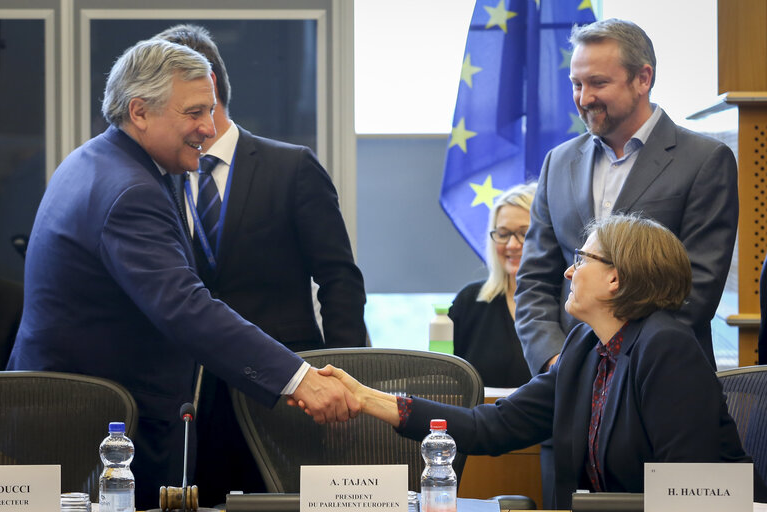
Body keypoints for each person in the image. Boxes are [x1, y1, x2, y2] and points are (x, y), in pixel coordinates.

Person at [6, 39, 359, 510]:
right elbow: (185, 307)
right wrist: (299, 379)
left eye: (211, 111)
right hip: (89, 429)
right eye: (194, 113)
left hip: (78, 416)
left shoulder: (94, 160)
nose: (208, 128)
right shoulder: (129, 190)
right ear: (140, 112)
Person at [315, 214, 767, 509]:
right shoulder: (585, 347)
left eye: (582, 258)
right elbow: (490, 426)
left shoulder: (666, 347)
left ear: (617, 277)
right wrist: (366, 397)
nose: (569, 271)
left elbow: (687, 494)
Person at [514, 20, 738, 507]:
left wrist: (616, 367)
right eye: (576, 83)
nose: (583, 97)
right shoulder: (558, 161)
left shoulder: (705, 160)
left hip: (655, 400)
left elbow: (694, 288)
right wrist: (564, 363)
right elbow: (533, 281)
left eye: (598, 83)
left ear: (643, 78)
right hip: (569, 394)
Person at [151, 24, 367, 504]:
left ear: (206, 88)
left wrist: (342, 379)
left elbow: (339, 280)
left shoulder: (291, 167)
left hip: (286, 390)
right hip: (190, 396)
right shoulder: (158, 177)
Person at [449, 183, 535, 388]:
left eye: (524, 233)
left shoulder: (568, 305)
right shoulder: (469, 301)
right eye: (503, 234)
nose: (512, 245)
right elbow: (445, 381)